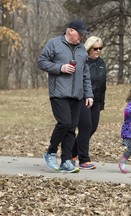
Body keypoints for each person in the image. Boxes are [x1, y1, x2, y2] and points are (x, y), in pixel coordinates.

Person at [38, 19, 94, 173]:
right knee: (64, 123)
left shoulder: (82, 50)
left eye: (83, 35)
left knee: (71, 128)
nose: (82, 37)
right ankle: (50, 152)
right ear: (70, 31)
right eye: (80, 34)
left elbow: (85, 74)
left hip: (77, 95)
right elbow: (42, 62)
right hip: (59, 92)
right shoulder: (54, 43)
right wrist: (60, 67)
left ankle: (66, 161)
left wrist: (88, 94)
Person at [71, 36, 107, 169]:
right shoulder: (83, 62)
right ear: (88, 48)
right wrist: (85, 96)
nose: (98, 51)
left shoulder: (101, 63)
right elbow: (81, 81)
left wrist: (101, 103)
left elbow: (103, 84)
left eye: (100, 48)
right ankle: (84, 160)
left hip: (96, 101)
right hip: (83, 99)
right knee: (85, 128)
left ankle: (71, 153)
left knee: (92, 128)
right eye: (95, 48)